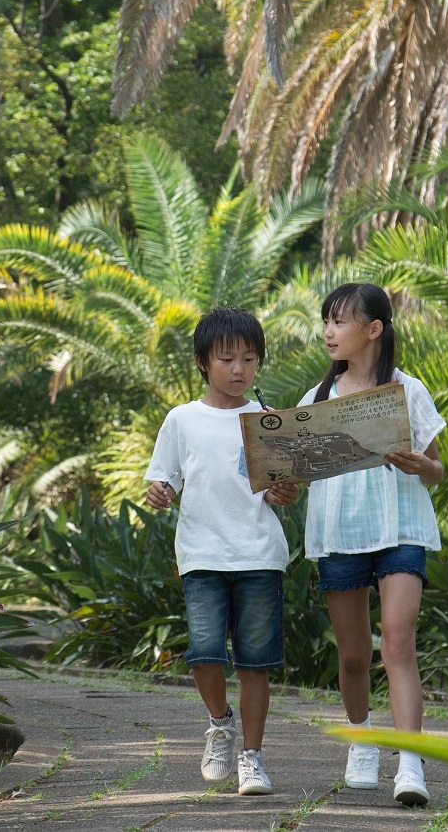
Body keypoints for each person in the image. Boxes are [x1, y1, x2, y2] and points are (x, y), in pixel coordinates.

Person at [296, 282, 445, 807]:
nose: (328, 331)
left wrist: (420, 464)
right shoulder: (316, 401)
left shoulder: (408, 390)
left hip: (400, 528)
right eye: (326, 321)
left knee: (398, 643)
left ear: (374, 329)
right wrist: (280, 483)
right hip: (339, 533)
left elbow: (437, 470)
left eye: (339, 321)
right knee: (355, 655)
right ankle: (361, 742)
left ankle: (410, 763)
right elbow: (295, 475)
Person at [144, 306, 299, 796]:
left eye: (249, 359)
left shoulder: (267, 421)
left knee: (255, 663)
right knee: (204, 653)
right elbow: (163, 479)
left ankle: (252, 757)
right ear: (202, 362)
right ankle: (220, 722)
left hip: (259, 555)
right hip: (202, 555)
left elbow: (281, 491)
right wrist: (159, 493)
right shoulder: (182, 419)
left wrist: (284, 493)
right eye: (227, 359)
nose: (239, 369)